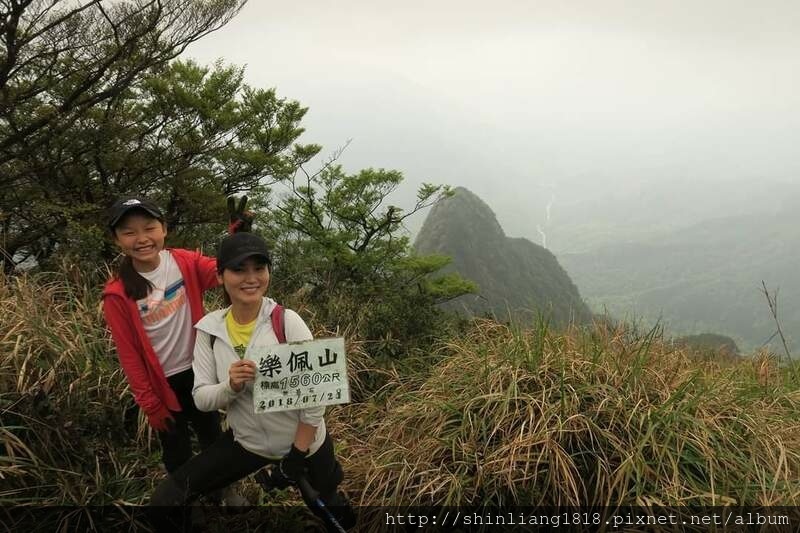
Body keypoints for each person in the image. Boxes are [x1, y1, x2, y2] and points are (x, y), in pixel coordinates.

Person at [149, 232, 355, 532]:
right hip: (247, 442)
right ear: (220, 276)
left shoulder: (286, 321)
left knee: (331, 508)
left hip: (305, 443)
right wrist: (229, 386)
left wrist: (296, 455)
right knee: (165, 500)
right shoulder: (208, 331)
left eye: (259, 268)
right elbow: (202, 398)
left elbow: (317, 394)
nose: (251, 278)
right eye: (238, 269)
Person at [102, 196, 250, 499]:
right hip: (161, 385)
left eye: (149, 228)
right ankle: (184, 500)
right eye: (129, 232)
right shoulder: (117, 294)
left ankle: (222, 489)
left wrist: (238, 240)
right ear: (117, 239)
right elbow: (129, 356)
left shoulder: (184, 262)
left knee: (212, 436)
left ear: (164, 229)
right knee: (176, 450)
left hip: (199, 372)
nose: (142, 239)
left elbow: (224, 274)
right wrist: (149, 403)